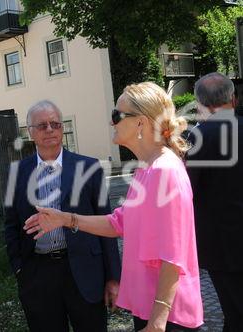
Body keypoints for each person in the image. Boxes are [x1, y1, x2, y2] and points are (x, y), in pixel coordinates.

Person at [25, 83, 204, 332]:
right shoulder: (148, 169)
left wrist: (157, 322)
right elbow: (118, 222)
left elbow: (173, 257)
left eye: (116, 115)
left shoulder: (164, 171)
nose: (112, 123)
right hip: (150, 309)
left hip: (167, 317)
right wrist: (64, 218)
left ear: (140, 123)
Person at [4, 100, 121, 332]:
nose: (50, 129)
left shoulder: (88, 168)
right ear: (30, 132)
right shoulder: (16, 173)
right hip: (38, 274)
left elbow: (107, 224)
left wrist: (113, 277)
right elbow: (10, 225)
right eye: (42, 125)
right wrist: (20, 268)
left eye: (55, 124)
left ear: (62, 128)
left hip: (85, 270)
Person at [186, 72, 243, 332]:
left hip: (222, 248)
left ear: (200, 105)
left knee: (234, 311)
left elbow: (186, 192)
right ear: (234, 99)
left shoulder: (196, 139)